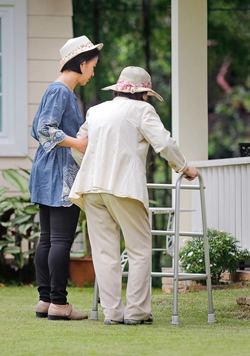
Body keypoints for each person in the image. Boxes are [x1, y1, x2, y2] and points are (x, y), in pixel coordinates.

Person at [69, 66, 198, 325]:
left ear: (118, 89)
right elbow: (164, 143)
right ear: (142, 94)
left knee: (105, 253)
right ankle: (137, 312)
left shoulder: (96, 111)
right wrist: (184, 167)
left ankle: (113, 314)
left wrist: (94, 165)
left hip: (92, 188)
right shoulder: (142, 110)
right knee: (139, 250)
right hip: (124, 187)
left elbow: (79, 146)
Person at [29, 35, 103, 320]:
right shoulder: (60, 91)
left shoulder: (57, 91)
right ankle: (58, 303)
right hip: (60, 173)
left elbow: (37, 131)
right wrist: (77, 143)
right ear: (82, 64)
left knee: (47, 239)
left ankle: (45, 301)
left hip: (46, 169)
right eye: (93, 66)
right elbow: (44, 128)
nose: (93, 72)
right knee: (59, 240)